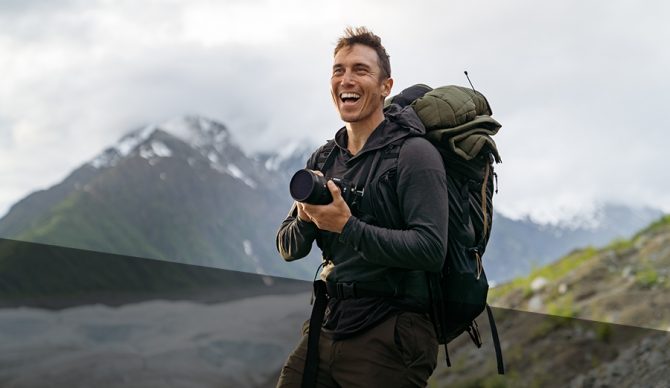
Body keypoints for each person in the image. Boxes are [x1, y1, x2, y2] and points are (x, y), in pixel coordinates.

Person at [275, 26, 449, 388]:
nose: (346, 79)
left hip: (391, 333)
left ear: (386, 86)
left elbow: (431, 250)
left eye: (360, 70)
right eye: (338, 70)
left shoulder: (415, 154)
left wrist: (346, 226)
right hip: (328, 322)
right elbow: (288, 247)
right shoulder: (324, 159)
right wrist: (308, 219)